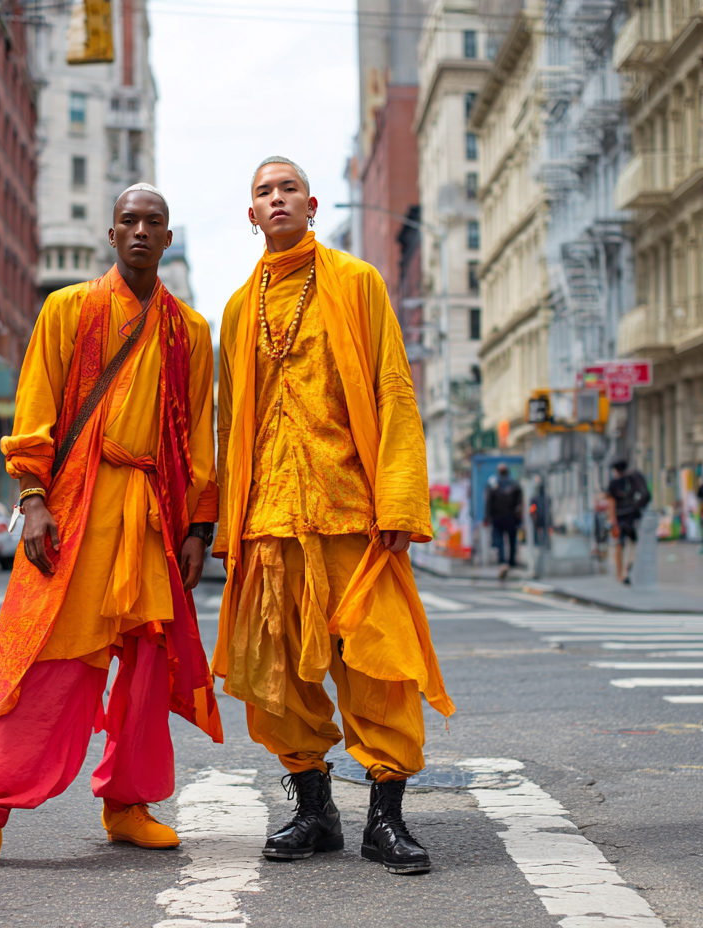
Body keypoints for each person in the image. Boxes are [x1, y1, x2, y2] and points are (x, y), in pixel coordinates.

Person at [0, 184, 222, 875]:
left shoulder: (191, 331)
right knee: (40, 663)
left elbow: (200, 440)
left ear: (167, 238)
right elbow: (33, 410)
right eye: (130, 221)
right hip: (75, 508)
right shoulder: (68, 309)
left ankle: (128, 805)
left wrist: (199, 528)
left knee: (148, 669)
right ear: (112, 235)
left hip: (151, 514)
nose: (142, 232)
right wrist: (32, 498)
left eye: (155, 222)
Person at [213, 157, 453, 876]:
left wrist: (401, 500)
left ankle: (386, 819)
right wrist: (228, 524)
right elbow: (231, 425)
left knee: (378, 665)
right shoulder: (236, 307)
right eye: (263, 191)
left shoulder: (355, 282)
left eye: (288, 188)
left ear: (311, 205)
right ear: (250, 214)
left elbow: (393, 388)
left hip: (352, 511)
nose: (276, 198)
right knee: (277, 675)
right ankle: (313, 812)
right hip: (271, 521)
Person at [606, 459, 651, 585]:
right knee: (634, 545)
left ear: (615, 470)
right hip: (633, 516)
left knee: (619, 546)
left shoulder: (614, 483)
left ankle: (620, 574)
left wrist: (612, 520)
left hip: (620, 518)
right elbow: (644, 494)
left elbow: (611, 502)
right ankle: (628, 567)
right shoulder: (631, 480)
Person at [484, 463, 523, 579]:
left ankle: (502, 561)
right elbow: (520, 502)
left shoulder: (494, 485)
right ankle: (511, 561)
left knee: (499, 540)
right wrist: (519, 516)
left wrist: (487, 517)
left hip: (497, 517)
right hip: (511, 517)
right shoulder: (514, 484)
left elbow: (488, 501)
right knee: (512, 539)